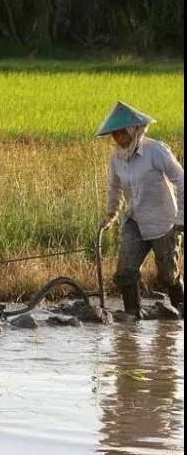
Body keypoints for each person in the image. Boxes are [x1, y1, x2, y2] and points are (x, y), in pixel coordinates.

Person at [97, 101, 184, 318]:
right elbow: (115, 188)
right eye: (114, 135)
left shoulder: (156, 151)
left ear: (133, 130)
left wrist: (181, 218)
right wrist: (111, 214)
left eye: (120, 133)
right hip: (135, 221)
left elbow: (181, 180)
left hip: (164, 223)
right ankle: (132, 319)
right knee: (125, 273)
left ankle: (180, 315)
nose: (117, 138)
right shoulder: (117, 157)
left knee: (167, 277)